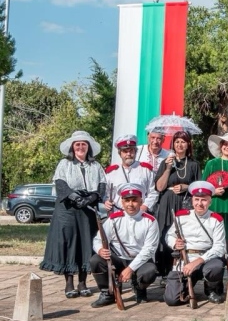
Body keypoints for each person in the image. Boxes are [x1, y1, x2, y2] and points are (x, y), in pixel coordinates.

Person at [40, 130, 107, 298]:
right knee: (69, 243)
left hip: (88, 209)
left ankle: (83, 281)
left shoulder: (96, 166)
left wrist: (91, 197)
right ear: (72, 147)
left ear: (88, 147)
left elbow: (101, 186)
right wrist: (76, 198)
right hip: (68, 209)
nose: (80, 147)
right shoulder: (64, 164)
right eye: (77, 144)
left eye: (84, 144)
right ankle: (69, 282)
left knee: (86, 242)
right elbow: (61, 184)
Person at [90, 183, 159, 307]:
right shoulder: (113, 220)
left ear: (141, 201)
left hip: (140, 260)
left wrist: (130, 269)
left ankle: (139, 287)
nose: (130, 204)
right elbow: (97, 239)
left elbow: (149, 250)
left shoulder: (150, 221)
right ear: (122, 202)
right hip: (118, 259)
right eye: (127, 201)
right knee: (96, 260)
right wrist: (100, 249)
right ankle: (108, 293)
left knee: (150, 271)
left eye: (134, 200)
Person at [166, 181, 227, 304]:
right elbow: (169, 235)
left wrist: (197, 261)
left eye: (204, 200)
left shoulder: (216, 219)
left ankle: (211, 288)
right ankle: (186, 288)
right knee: (171, 300)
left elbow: (220, 247)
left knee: (216, 267)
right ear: (192, 200)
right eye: (196, 199)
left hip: (206, 260)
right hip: (184, 259)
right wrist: (174, 243)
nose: (199, 203)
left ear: (210, 201)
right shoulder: (181, 216)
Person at [154, 130, 201, 277]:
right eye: (177, 142)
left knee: (183, 234)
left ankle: (183, 267)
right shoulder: (165, 162)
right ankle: (164, 271)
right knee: (165, 233)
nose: (180, 145)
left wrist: (186, 187)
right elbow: (159, 187)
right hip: (167, 201)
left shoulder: (194, 164)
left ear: (188, 144)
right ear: (173, 144)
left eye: (183, 142)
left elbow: (199, 187)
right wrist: (168, 168)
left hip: (185, 202)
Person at [105, 134, 158, 214]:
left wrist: (145, 206)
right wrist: (106, 201)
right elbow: (105, 193)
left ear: (135, 152)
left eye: (131, 151)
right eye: (125, 151)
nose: (128, 154)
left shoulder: (146, 170)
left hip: (140, 213)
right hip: (118, 214)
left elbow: (153, 192)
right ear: (120, 153)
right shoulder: (111, 172)